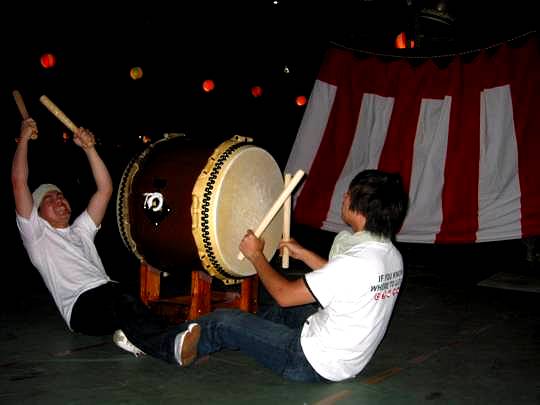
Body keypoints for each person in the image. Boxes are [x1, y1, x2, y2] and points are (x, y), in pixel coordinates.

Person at [167, 169, 409, 382]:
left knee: (223, 322)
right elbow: (346, 280)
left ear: (361, 205)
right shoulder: (389, 254)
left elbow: (284, 295)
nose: (344, 197)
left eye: (349, 193)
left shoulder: (353, 263)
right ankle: (241, 335)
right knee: (281, 313)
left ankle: (166, 344)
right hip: (348, 358)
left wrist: (256, 255)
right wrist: (303, 253)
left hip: (308, 362)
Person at [11, 117, 200, 365]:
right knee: (122, 299)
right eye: (50, 199)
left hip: (107, 295)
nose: (59, 200)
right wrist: (23, 139)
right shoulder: (37, 236)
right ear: (37, 214)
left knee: (127, 298)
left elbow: (105, 190)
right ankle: (170, 347)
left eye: (60, 196)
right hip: (80, 309)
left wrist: (89, 149)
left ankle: (136, 336)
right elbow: (19, 183)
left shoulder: (80, 230)